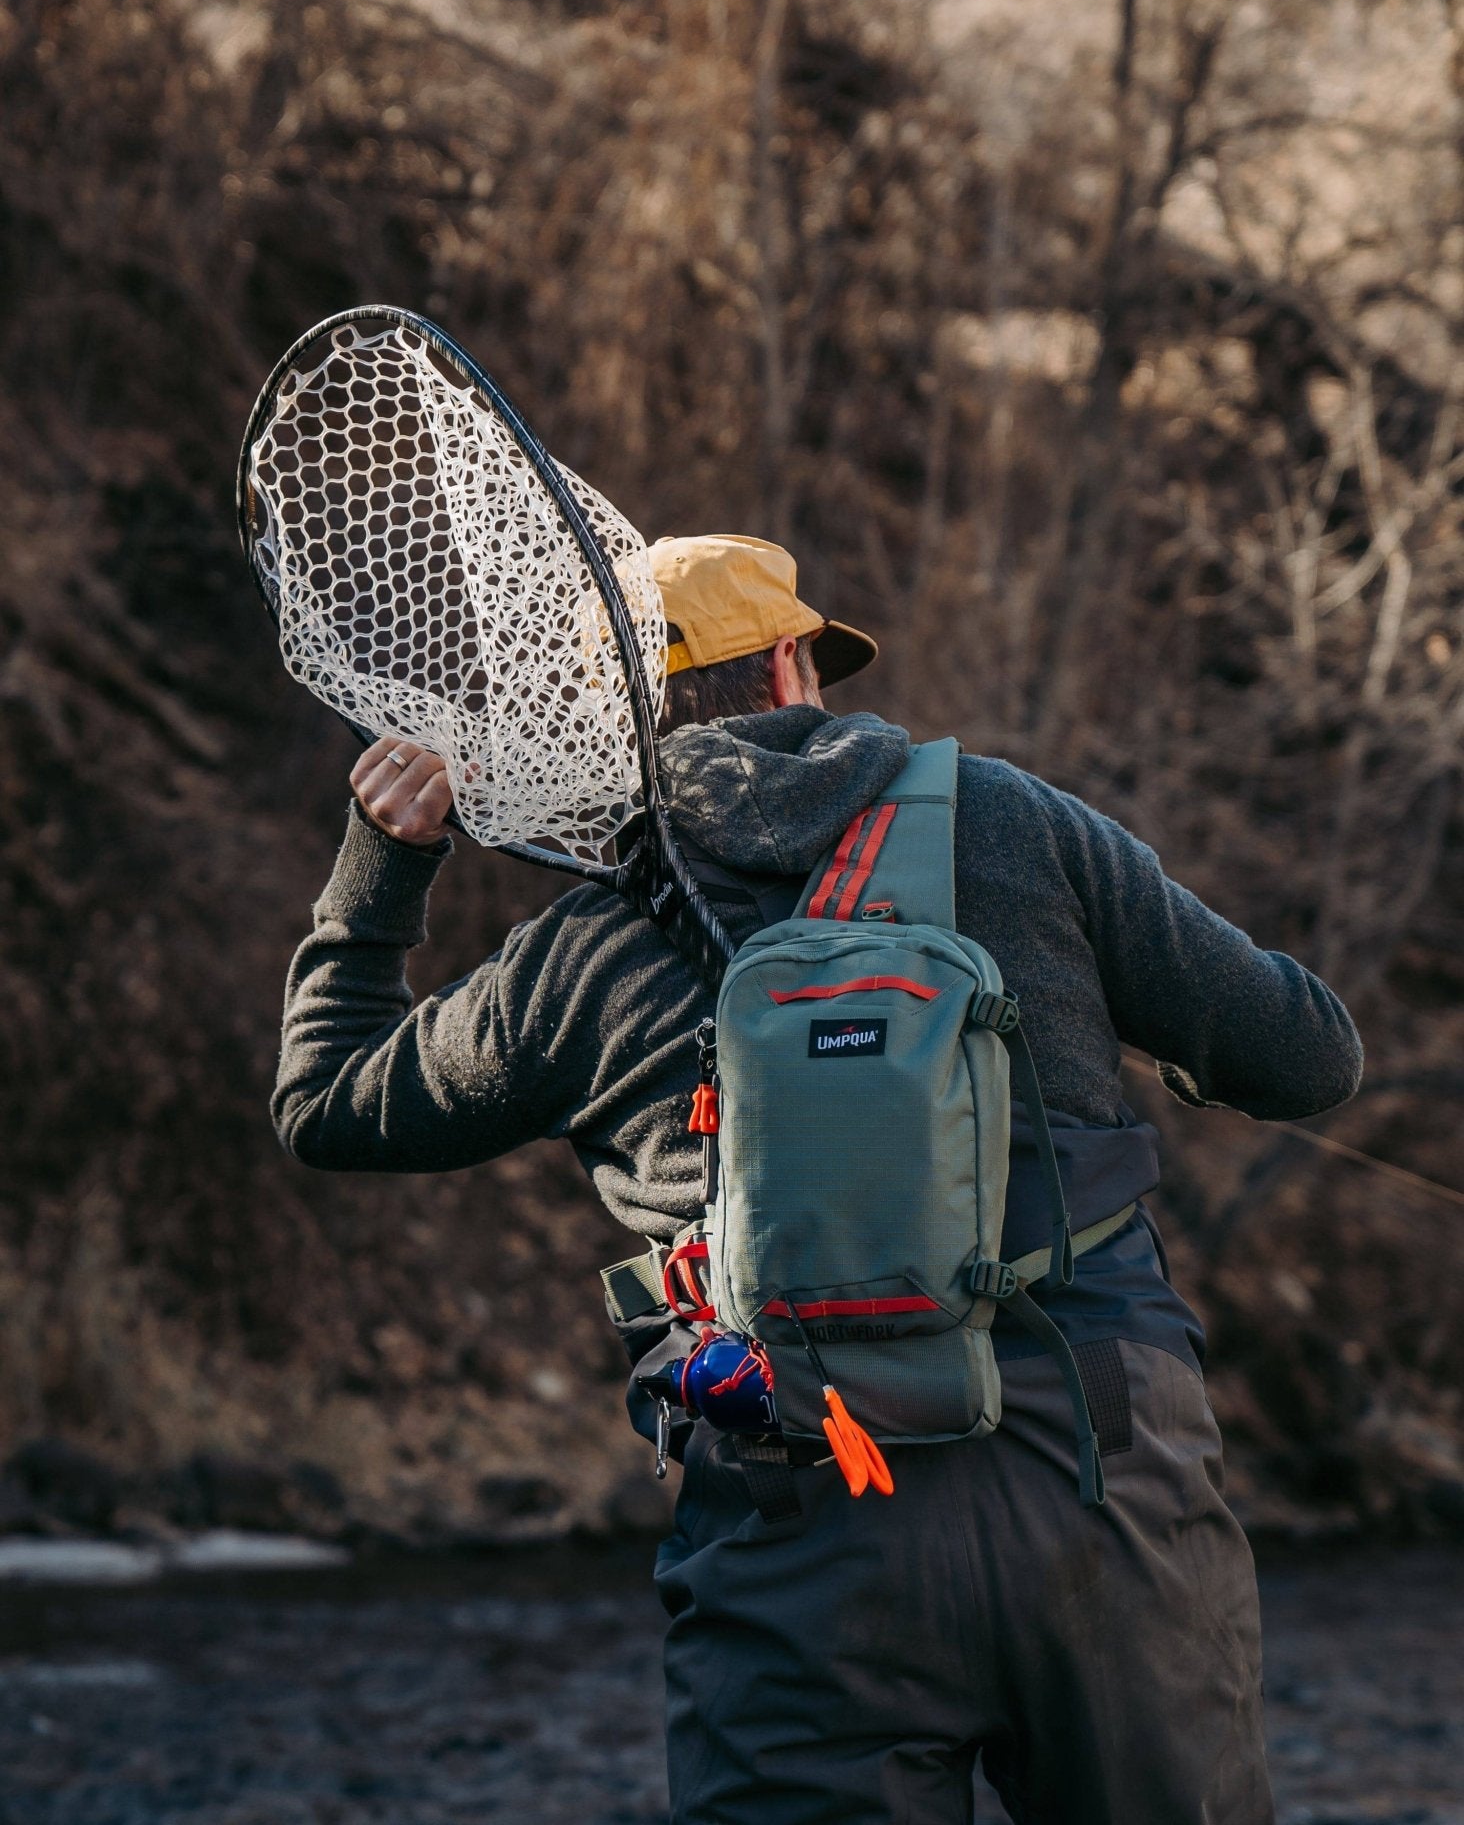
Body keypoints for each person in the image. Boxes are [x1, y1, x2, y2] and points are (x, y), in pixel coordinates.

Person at [274, 532, 1362, 1825]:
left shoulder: (575, 954)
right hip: (1101, 1477)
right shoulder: (1015, 823)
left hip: (798, 1518)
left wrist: (381, 861)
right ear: (793, 666)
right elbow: (1307, 1057)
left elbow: (325, 1105)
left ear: (602, 723)